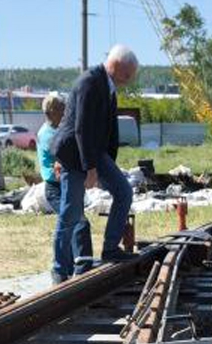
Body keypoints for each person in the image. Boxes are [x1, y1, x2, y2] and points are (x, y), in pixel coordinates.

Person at [52, 44, 138, 282]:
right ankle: (60, 270)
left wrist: (108, 165)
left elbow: (109, 130)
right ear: (117, 66)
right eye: (128, 75)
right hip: (74, 153)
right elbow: (81, 129)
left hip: (95, 152)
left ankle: (110, 248)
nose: (129, 81)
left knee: (123, 191)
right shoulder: (90, 82)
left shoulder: (108, 85)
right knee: (71, 212)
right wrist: (90, 169)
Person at [37, 93, 92, 268]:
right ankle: (79, 266)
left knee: (74, 223)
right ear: (52, 111)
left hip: (67, 185)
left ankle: (74, 265)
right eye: (62, 109)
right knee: (77, 222)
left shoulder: (58, 129)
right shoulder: (47, 134)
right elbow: (62, 153)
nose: (65, 112)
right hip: (56, 188)